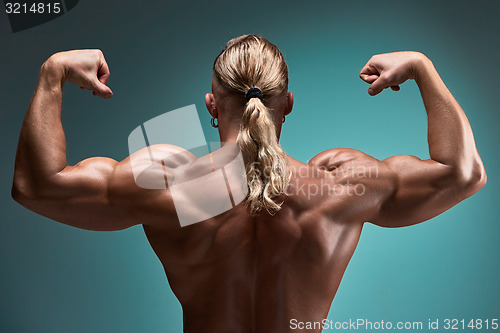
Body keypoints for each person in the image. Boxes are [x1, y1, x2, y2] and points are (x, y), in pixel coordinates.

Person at [12, 35, 486, 333]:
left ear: (212, 105)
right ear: (289, 104)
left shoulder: (167, 183)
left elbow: (37, 186)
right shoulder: (338, 186)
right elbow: (464, 173)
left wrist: (52, 73)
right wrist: (423, 67)